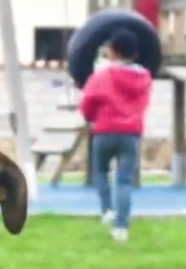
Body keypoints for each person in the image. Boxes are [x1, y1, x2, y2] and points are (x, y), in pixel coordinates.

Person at [78, 27, 152, 243]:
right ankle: (121, 228)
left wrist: (90, 118)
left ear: (111, 51)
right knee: (124, 180)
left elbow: (87, 102)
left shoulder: (102, 75)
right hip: (131, 133)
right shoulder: (144, 78)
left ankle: (107, 210)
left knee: (100, 172)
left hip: (104, 130)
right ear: (135, 54)